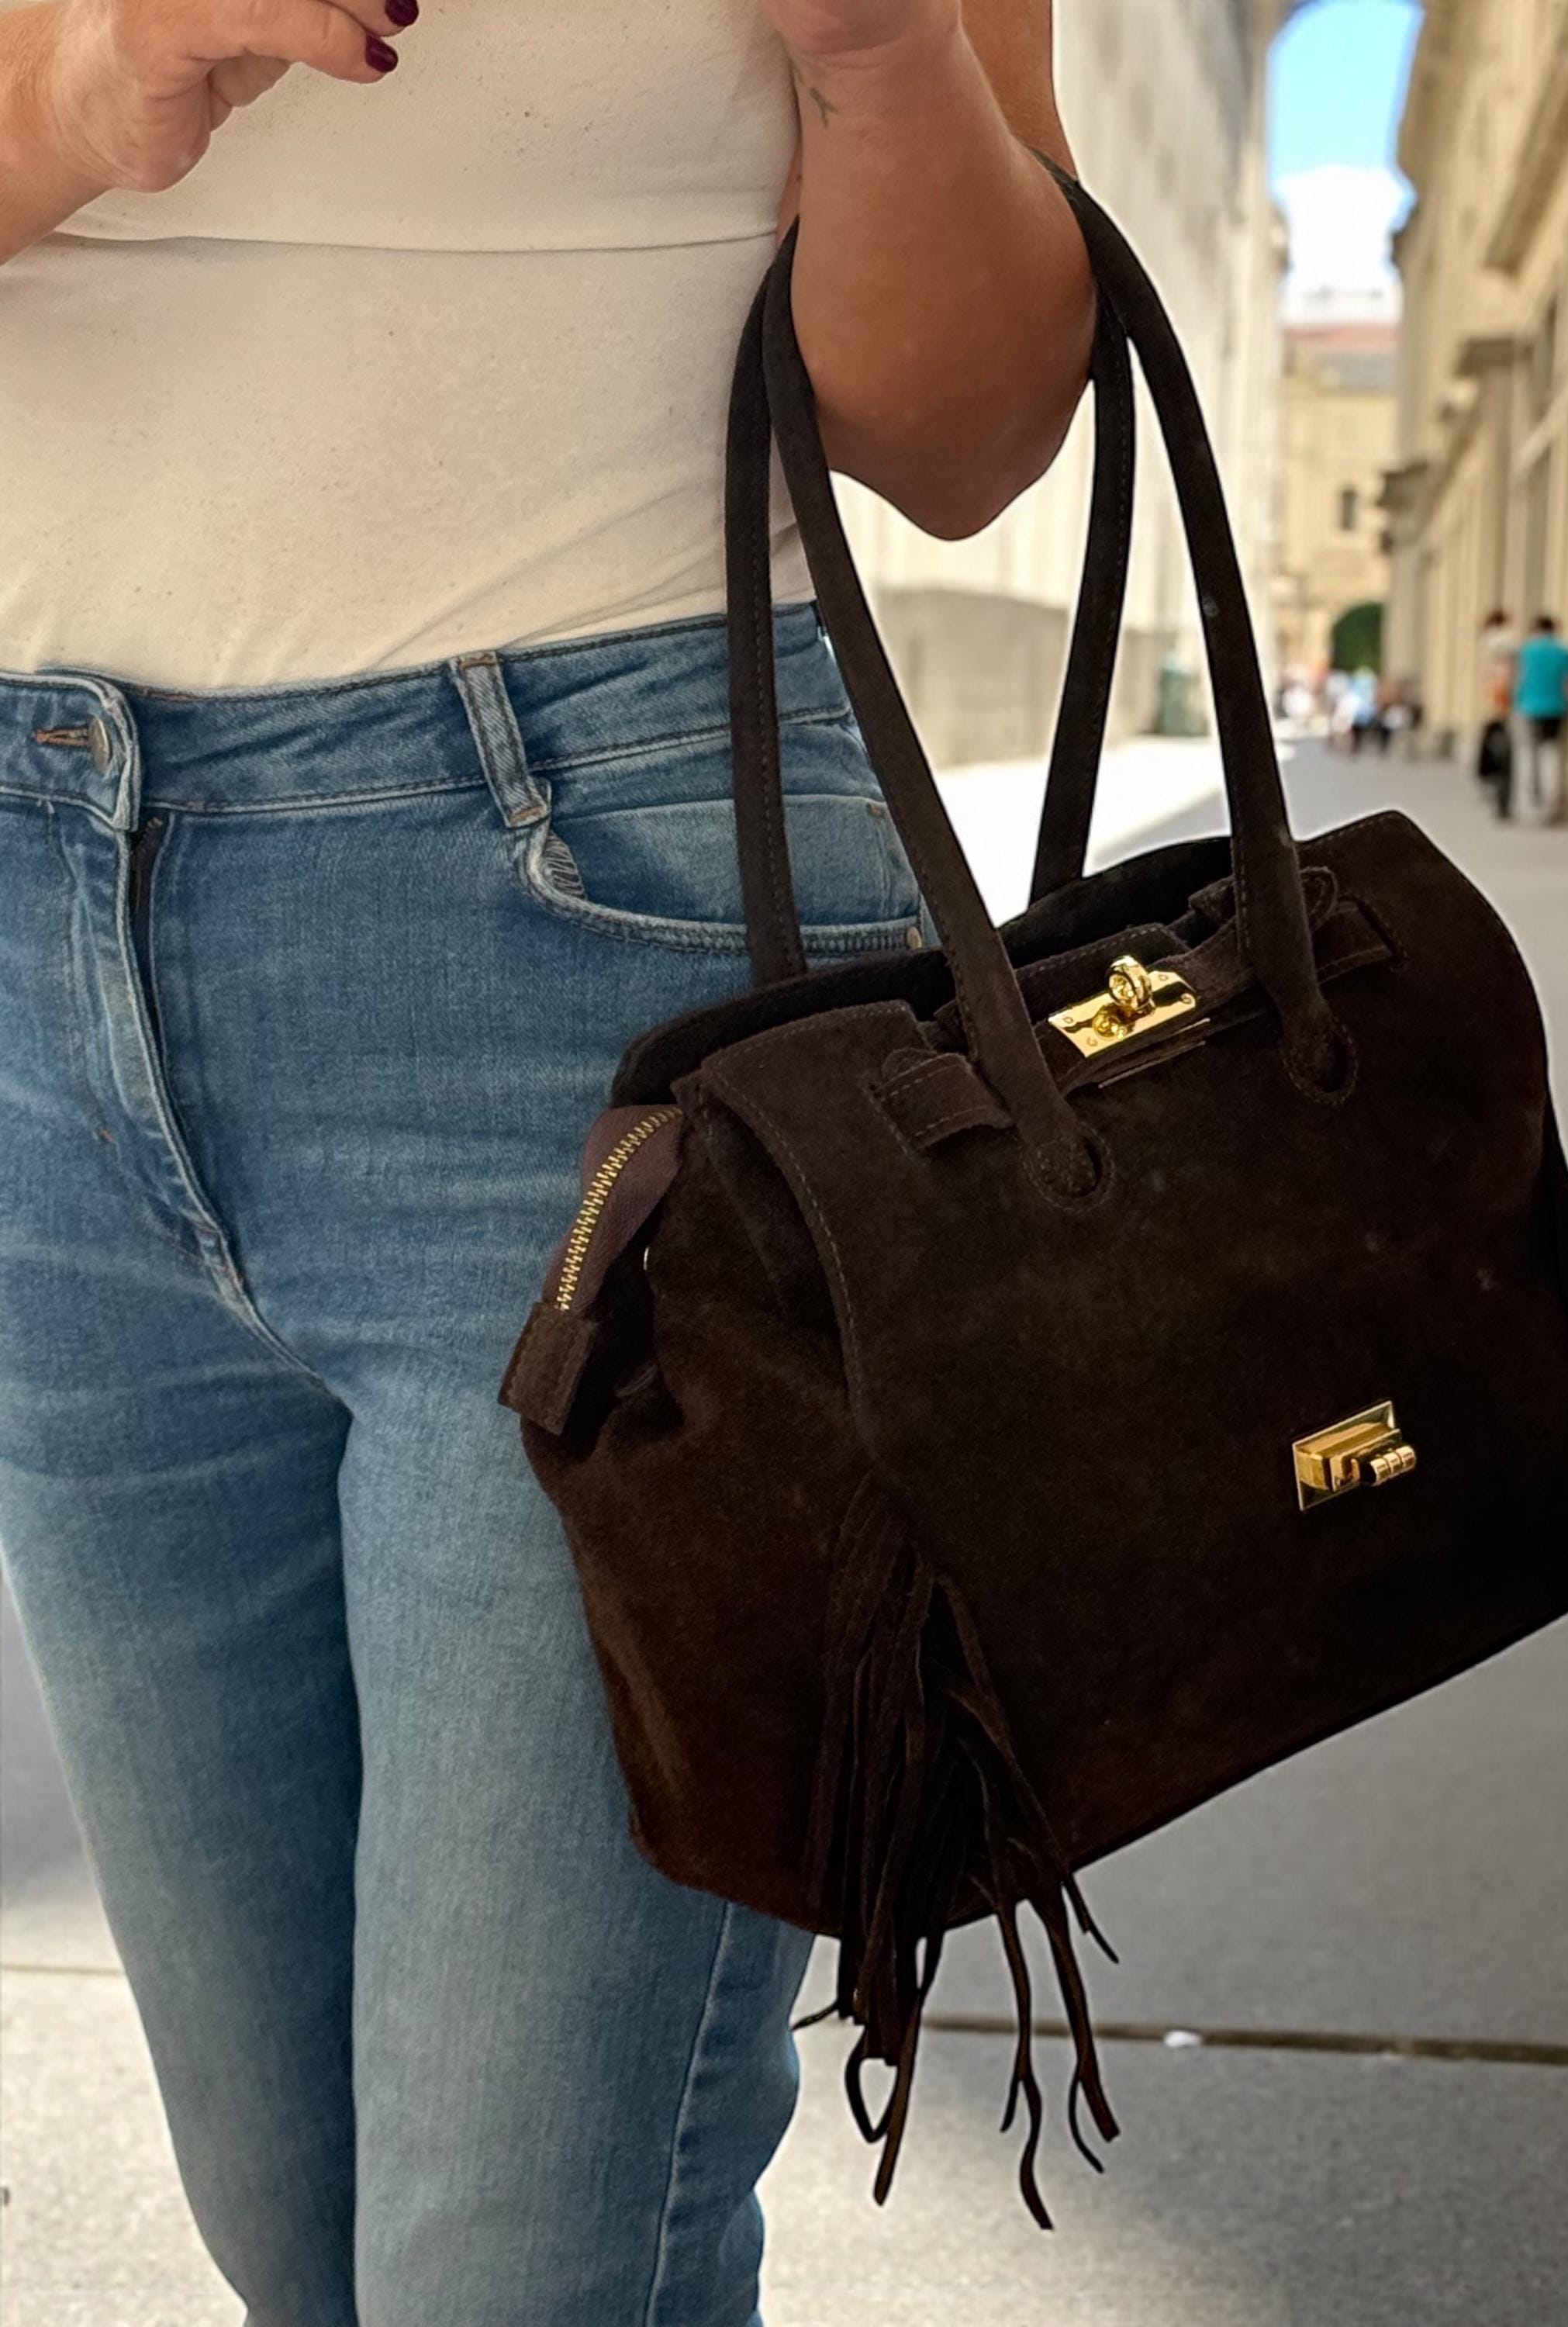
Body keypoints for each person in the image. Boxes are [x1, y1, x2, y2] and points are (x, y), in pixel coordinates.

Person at [0, 5, 1095, 2321]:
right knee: (295, 2220)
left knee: (520, 2264)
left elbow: (978, 429)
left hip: (600, 968)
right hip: (30, 974)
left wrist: (884, 51)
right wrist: (81, 82)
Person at [1511, 613, 1568, 826]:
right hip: (1557, 709)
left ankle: (1528, 805)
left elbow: (1518, 680)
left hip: (1528, 708)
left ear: (1535, 629)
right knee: (1552, 755)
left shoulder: (1525, 651)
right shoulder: (1565, 652)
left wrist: (1515, 703)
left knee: (1527, 755)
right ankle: (1552, 806)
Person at [1476, 606, 1517, 814]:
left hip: (1496, 697)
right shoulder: (1505, 641)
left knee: (1496, 744)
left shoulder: (1491, 641)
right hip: (1503, 697)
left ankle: (1495, 785)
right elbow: (1505, 671)